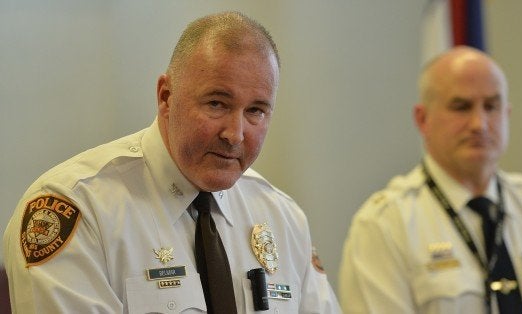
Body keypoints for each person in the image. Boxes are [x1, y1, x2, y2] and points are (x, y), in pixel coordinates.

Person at [3, 11, 340, 313]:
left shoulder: (282, 217)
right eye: (217, 104)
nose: (235, 134)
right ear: (166, 97)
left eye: (255, 111)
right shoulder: (79, 207)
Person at [338, 46, 522, 314]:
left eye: (491, 106)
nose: (479, 123)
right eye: (461, 107)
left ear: (507, 115)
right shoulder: (385, 224)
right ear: (423, 119)